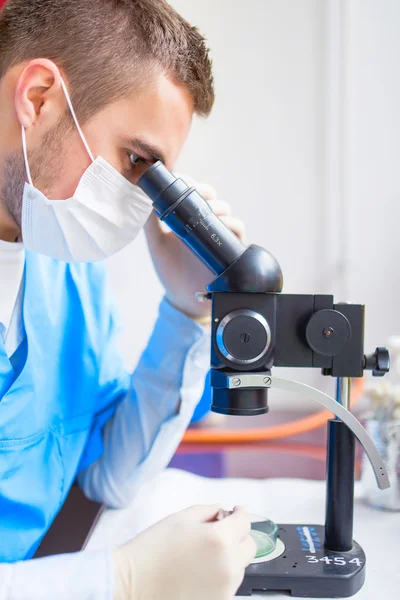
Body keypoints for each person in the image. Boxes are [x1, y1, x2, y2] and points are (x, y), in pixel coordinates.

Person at [0, 0, 257, 598]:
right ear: (37, 98)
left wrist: (186, 310)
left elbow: (108, 475)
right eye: (137, 161)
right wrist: (121, 581)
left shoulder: (61, 267)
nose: (142, 199)